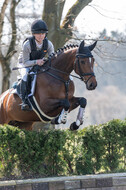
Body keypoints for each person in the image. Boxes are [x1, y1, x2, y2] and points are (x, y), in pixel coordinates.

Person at [18, 19, 54, 111]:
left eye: (43, 33)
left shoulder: (48, 44)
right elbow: (25, 62)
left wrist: (45, 61)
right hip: (24, 63)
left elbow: (52, 58)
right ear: (34, 34)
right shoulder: (27, 45)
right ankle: (25, 101)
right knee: (25, 76)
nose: (41, 36)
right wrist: (37, 62)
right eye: (38, 34)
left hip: (38, 63)